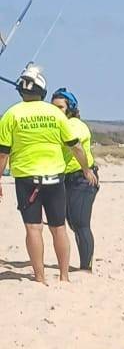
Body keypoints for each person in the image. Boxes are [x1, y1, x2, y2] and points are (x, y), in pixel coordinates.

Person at [0, 64, 95, 284]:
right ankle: (64, 277)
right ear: (42, 91)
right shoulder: (55, 114)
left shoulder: (11, 115)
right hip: (54, 178)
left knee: (33, 228)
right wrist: (86, 168)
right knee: (58, 227)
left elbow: (3, 155)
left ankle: (40, 277)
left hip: (26, 179)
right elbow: (76, 146)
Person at [51, 87, 99, 272]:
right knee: (70, 223)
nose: (56, 111)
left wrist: (86, 170)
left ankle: (86, 267)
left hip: (83, 179)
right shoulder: (56, 124)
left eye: (60, 108)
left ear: (70, 109)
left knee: (80, 223)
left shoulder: (75, 125)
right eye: (52, 107)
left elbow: (74, 145)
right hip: (63, 179)